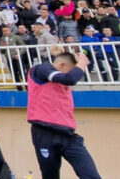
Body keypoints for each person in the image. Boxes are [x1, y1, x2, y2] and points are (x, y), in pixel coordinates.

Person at [27, 51, 101, 179]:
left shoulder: (60, 83)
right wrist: (82, 62)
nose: (71, 74)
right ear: (61, 64)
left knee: (91, 175)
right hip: (45, 133)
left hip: (68, 135)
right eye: (70, 70)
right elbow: (70, 78)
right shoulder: (40, 69)